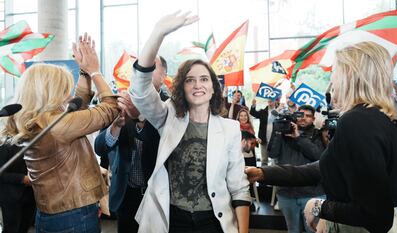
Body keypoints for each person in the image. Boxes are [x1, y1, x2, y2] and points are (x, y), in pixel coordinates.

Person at [128, 11, 250, 233]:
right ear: (181, 88)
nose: (197, 85)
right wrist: (158, 33)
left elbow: (239, 188)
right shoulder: (169, 116)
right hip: (170, 220)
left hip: (212, 222)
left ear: (213, 88)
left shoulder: (230, 129)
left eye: (204, 79)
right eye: (190, 80)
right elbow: (140, 89)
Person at [0, 34, 119, 232]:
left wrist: (84, 72)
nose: (70, 93)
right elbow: (110, 108)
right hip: (73, 217)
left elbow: (78, 106)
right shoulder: (57, 125)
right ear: (50, 91)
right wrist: (95, 72)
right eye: (64, 88)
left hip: (56, 214)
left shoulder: (41, 120)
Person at [299, 41, 397, 233]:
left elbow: (375, 215)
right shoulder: (380, 118)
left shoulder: (356, 121)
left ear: (351, 75)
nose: (332, 78)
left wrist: (317, 206)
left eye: (336, 71)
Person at [94, 56, 168, 233]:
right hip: (126, 193)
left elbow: (162, 144)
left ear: (163, 76)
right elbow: (100, 147)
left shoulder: (171, 107)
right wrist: (116, 126)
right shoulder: (122, 104)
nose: (143, 71)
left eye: (150, 67)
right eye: (140, 67)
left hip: (159, 193)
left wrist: (140, 118)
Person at [267, 104, 325, 233]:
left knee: (313, 230)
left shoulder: (318, 134)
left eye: (308, 116)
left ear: (313, 119)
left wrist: (299, 138)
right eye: (300, 115)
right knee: (292, 230)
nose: (303, 118)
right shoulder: (282, 132)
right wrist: (277, 131)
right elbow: (272, 154)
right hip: (287, 193)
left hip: (313, 194)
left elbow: (319, 156)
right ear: (295, 116)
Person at [0, 143, 35, 233]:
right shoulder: (5, 145)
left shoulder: (32, 142)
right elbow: (2, 173)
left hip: (30, 195)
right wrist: (22, 179)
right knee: (11, 229)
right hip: (11, 196)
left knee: (24, 227)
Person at [249, 98, 280, 165]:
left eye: (271, 100)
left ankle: (274, 174)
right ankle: (264, 174)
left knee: (275, 160)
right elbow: (253, 113)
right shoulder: (263, 111)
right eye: (268, 100)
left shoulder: (279, 111)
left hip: (275, 139)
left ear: (275, 101)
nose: (270, 102)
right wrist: (253, 105)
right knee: (264, 160)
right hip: (263, 139)